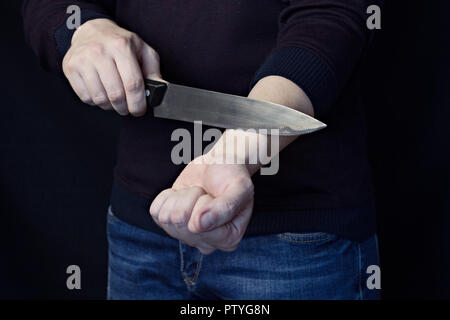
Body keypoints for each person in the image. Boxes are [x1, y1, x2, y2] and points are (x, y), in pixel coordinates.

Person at [23, 0, 381, 300]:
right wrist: (82, 30)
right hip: (139, 232)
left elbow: (330, 16)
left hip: (300, 241)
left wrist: (236, 153)